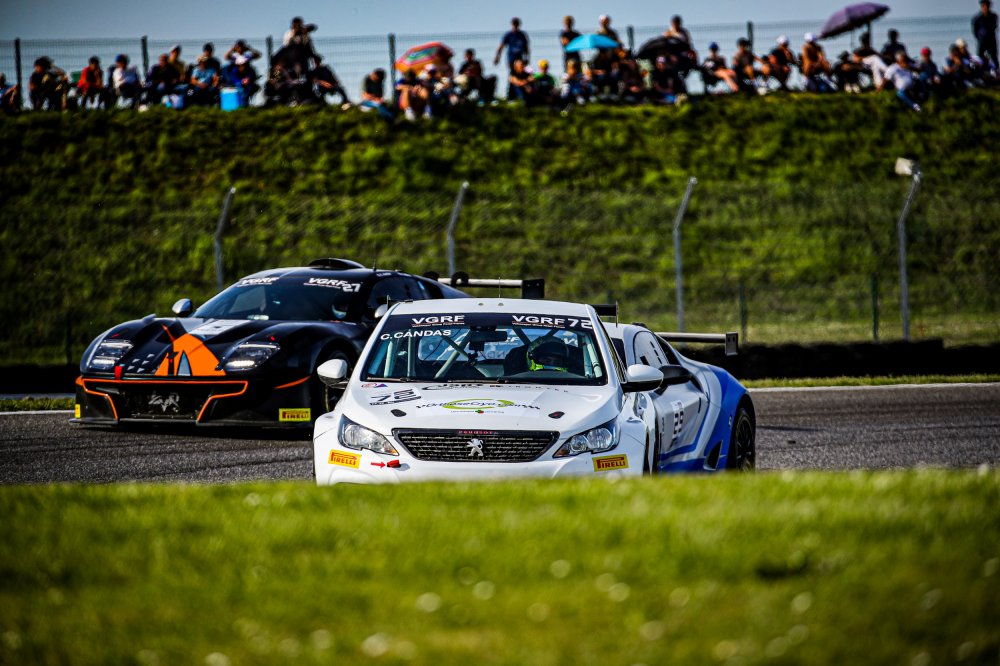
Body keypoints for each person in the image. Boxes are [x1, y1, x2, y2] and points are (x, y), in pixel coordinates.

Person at [974, 0, 999, 68]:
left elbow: (994, 27)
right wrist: (979, 37)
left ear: (989, 6)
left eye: (986, 6)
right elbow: (975, 30)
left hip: (991, 40)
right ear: (981, 7)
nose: (985, 8)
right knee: (979, 57)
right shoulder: (977, 18)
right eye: (983, 6)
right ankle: (979, 70)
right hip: (982, 40)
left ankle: (997, 70)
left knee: (994, 57)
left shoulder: (993, 16)